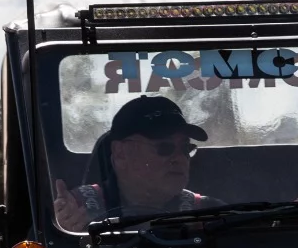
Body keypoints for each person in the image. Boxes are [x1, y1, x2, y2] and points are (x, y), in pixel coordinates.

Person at [53, 96, 220, 232]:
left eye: (185, 148)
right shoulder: (73, 210)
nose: (180, 158)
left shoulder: (210, 213)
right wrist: (66, 234)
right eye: (164, 147)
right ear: (121, 154)